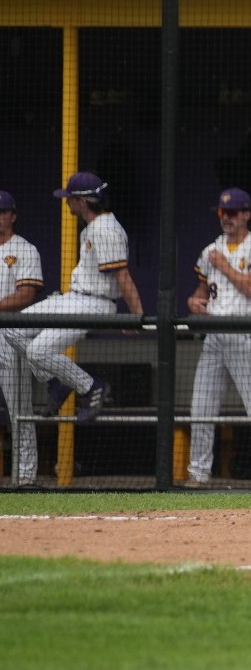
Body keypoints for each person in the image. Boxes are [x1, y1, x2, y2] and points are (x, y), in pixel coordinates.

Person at [6, 172, 143, 427]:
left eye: (70, 197)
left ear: (82, 201)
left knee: (38, 351)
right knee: (11, 328)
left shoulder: (105, 229)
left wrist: (136, 315)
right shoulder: (94, 227)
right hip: (76, 297)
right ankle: (56, 383)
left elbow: (122, 276)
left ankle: (91, 386)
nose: (67, 201)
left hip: (95, 303)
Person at [184, 188, 251, 487]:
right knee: (201, 408)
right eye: (222, 213)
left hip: (246, 336)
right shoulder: (209, 249)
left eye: (233, 212)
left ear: (247, 214)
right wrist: (193, 302)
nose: (226, 218)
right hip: (214, 337)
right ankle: (198, 474)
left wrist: (223, 264)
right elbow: (201, 292)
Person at [0, 191, 45, 485]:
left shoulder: (25, 249)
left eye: (2, 212)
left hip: (9, 335)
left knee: (19, 410)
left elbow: (27, 294)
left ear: (13, 215)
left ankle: (25, 479)